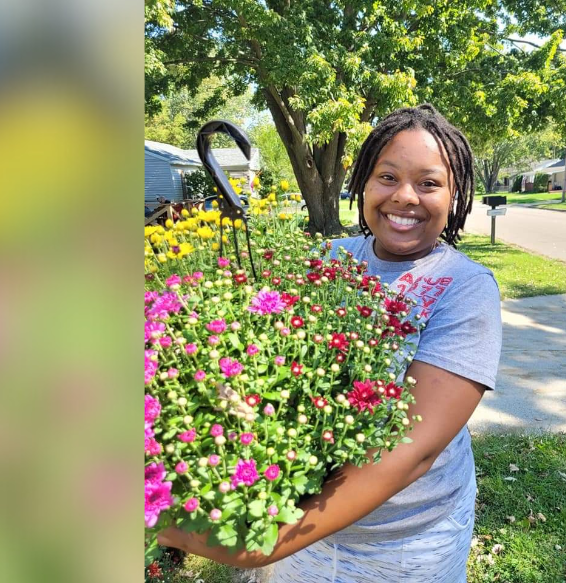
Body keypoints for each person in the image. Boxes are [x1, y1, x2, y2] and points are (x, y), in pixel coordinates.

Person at [157, 104, 503, 582]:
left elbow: (414, 452)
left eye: (428, 183)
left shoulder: (465, 287)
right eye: (387, 176)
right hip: (303, 531)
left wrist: (264, 547)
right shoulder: (327, 257)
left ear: (454, 193)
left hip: (404, 544)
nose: (405, 197)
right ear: (363, 182)